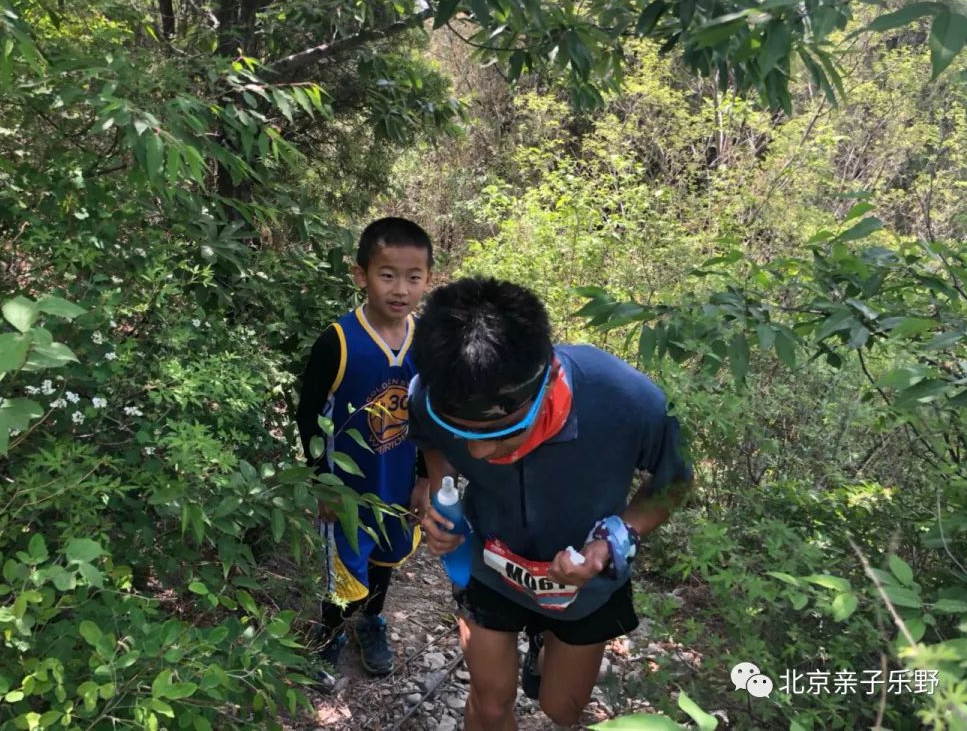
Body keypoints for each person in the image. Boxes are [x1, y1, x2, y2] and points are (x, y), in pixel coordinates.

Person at [409, 277, 693, 730]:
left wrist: (612, 539)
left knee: (561, 708)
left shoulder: (626, 401)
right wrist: (441, 491)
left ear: (546, 384)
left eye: (500, 434)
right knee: (490, 699)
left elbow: (674, 481)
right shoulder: (428, 393)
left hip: (584, 587)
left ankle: (544, 646)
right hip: (490, 565)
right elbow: (432, 443)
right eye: (464, 433)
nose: (479, 454)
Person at [295, 217, 434, 689]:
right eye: (387, 274)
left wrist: (423, 479)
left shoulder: (427, 343)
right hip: (348, 490)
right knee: (343, 567)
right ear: (361, 275)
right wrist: (321, 481)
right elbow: (309, 415)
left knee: (386, 556)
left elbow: (429, 418)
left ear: (428, 280)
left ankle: (371, 620)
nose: (400, 289)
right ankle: (330, 634)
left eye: (413, 277)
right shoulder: (338, 341)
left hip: (397, 483)